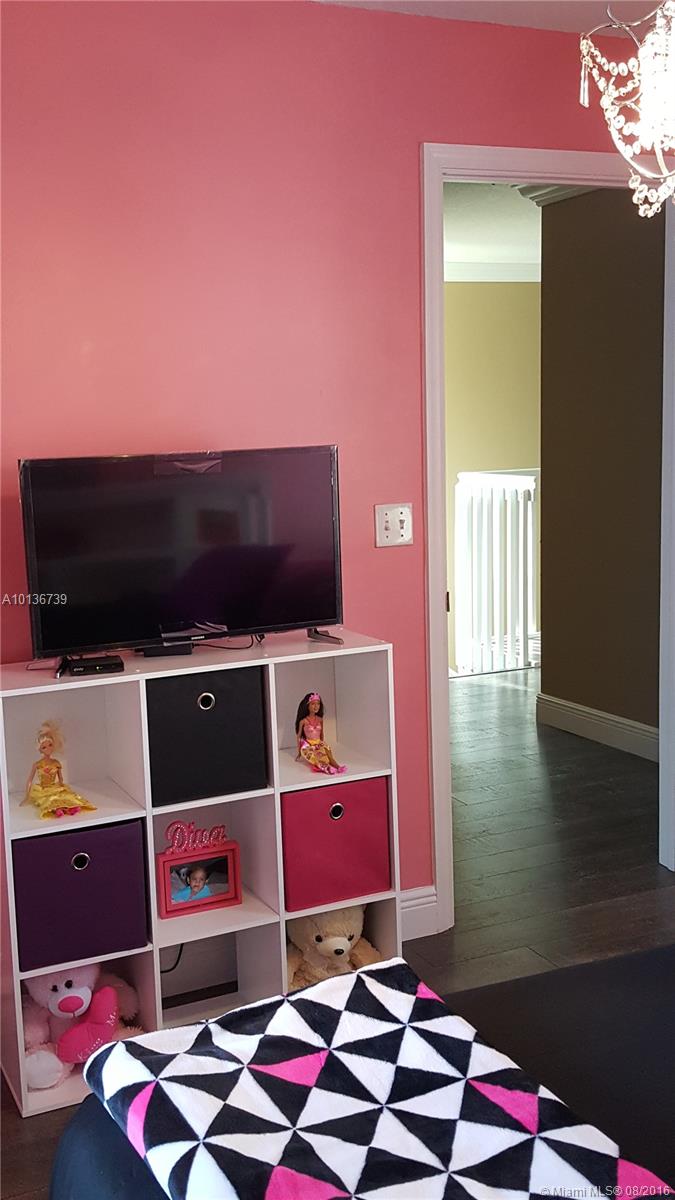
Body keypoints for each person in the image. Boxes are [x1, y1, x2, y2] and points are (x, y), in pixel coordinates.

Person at [22, 721, 96, 819]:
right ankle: (57, 810)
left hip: (55, 787)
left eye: (50, 745)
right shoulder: (37, 765)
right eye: (44, 747)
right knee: (49, 800)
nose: (48, 749)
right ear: (40, 750)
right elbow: (29, 780)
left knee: (64, 796)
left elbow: (60, 778)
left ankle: (69, 808)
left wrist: (62, 786)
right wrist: (26, 796)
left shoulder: (56, 763)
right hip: (43, 789)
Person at [295, 692, 346, 775]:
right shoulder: (303, 721)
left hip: (319, 743)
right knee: (316, 758)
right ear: (307, 706)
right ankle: (327, 768)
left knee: (328, 755)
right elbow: (298, 736)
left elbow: (322, 733)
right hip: (308, 745)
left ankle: (338, 767)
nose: (316, 706)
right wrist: (299, 752)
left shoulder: (320, 719)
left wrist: (323, 744)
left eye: (318, 704)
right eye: (313, 704)